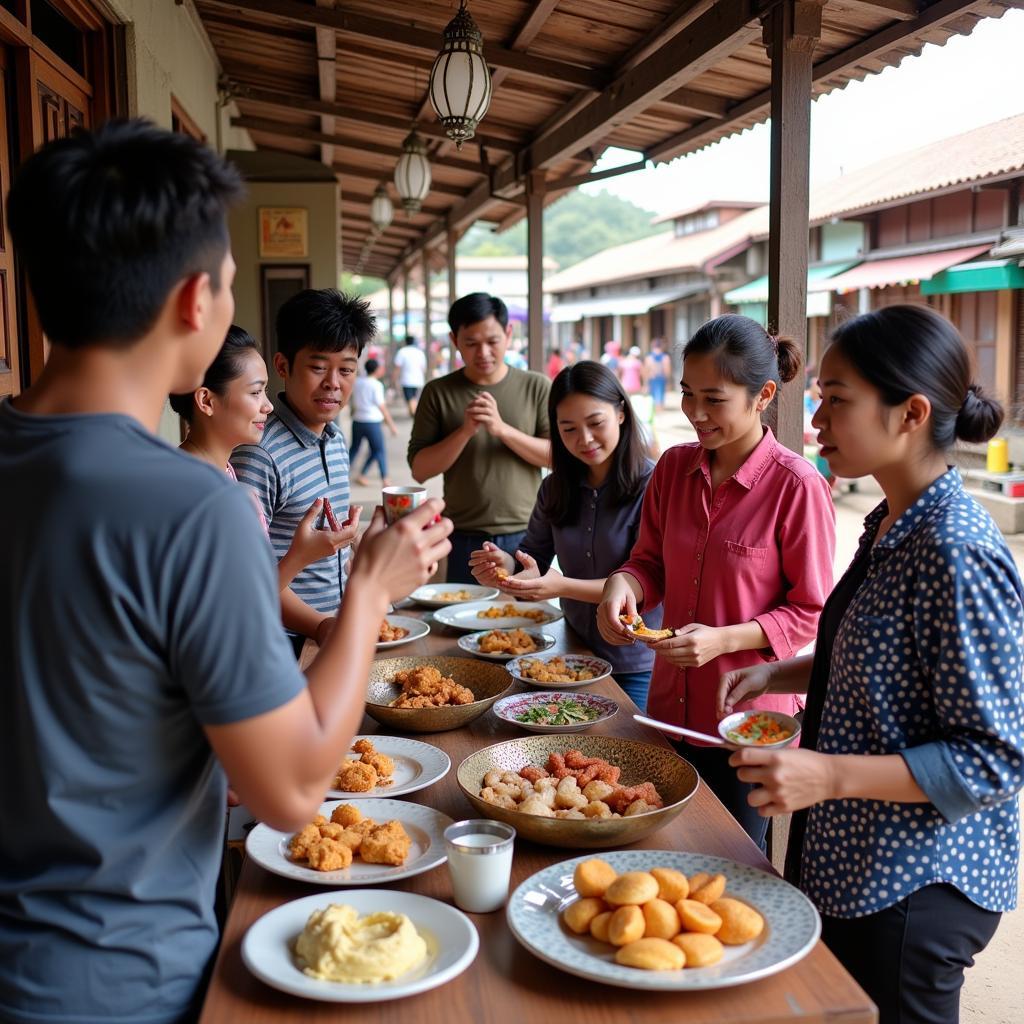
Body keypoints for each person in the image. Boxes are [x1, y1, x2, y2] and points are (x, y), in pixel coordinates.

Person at [0, 118, 451, 1024]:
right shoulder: (186, 503)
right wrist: (367, 591)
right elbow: (289, 793)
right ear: (192, 301)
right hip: (120, 976)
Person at [718, 305, 1024, 1024]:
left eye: (837, 398)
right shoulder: (891, 518)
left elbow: (994, 760)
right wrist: (779, 672)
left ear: (910, 412)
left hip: (915, 884)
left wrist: (825, 774)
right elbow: (885, 655)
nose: (817, 417)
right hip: (853, 856)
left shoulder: (956, 551)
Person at [597, 314, 836, 850]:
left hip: (747, 726)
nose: (695, 413)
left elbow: (811, 611)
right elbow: (649, 563)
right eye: (686, 394)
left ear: (762, 394)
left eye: (714, 398)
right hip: (669, 714)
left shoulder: (797, 486)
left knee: (730, 865)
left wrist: (723, 639)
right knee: (661, 853)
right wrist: (623, 586)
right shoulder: (672, 469)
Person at [469, 362, 662, 710]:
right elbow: (533, 557)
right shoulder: (555, 487)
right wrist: (507, 565)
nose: (584, 439)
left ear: (621, 413)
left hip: (636, 661)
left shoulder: (654, 486)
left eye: (595, 423)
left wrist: (560, 586)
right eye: (568, 428)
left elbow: (649, 581)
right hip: (573, 654)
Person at [169, 325, 359, 591]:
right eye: (256, 392)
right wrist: (300, 556)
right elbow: (241, 598)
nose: (268, 406)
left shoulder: (221, 474)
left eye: (266, 392)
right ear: (207, 401)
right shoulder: (199, 491)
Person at [231, 289, 369, 651]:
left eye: (347, 370)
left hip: (331, 631)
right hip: (284, 642)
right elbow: (249, 578)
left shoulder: (336, 439)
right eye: (318, 367)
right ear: (282, 366)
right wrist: (322, 627)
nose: (333, 383)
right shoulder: (259, 454)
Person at [408, 292, 552, 582]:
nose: (483, 352)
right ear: (454, 340)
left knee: (527, 622)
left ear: (508, 334)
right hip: (464, 536)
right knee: (465, 621)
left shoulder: (536, 386)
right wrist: (465, 431)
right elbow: (420, 470)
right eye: (471, 344)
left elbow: (557, 457)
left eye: (492, 341)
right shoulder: (438, 392)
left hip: (528, 534)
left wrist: (501, 429)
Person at [351, 357, 399, 486]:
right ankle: (385, 479)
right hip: (372, 422)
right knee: (379, 450)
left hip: (357, 420)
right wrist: (392, 425)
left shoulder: (358, 382)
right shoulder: (376, 385)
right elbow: (381, 406)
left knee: (355, 448)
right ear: (376, 369)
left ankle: (346, 474)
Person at [392, 335, 427, 415]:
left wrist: (394, 379)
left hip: (406, 380)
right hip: (418, 380)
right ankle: (412, 413)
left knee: (410, 398)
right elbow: (423, 368)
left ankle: (415, 414)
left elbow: (397, 367)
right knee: (413, 398)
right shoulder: (420, 352)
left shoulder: (402, 351)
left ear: (405, 342)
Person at [645, 338, 671, 408]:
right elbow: (667, 370)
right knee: (660, 399)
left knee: (652, 399)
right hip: (661, 378)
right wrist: (668, 382)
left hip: (652, 378)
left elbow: (646, 371)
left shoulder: (649, 357)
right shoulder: (665, 357)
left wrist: (646, 383)